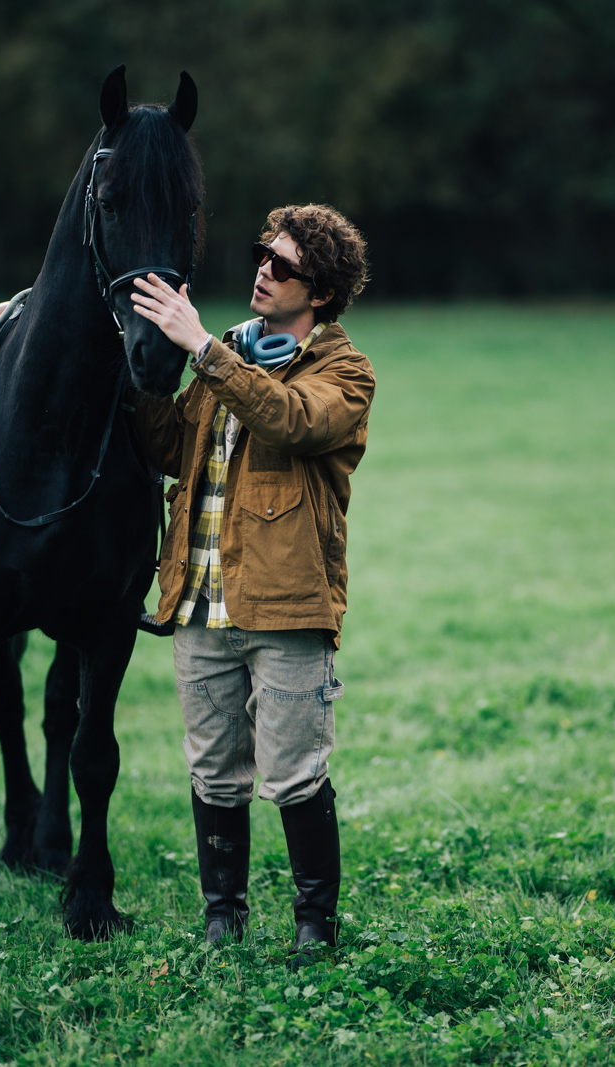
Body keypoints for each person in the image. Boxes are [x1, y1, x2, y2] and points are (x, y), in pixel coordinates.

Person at [127, 204, 373, 967]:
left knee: (296, 773)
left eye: (284, 264)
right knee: (212, 771)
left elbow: (293, 423)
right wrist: (135, 365)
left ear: (321, 293)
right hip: (198, 599)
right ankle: (222, 921)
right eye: (264, 254)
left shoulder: (344, 371)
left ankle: (314, 930)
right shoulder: (227, 350)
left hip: (287, 607)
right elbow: (173, 447)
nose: (264, 269)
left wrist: (200, 347)